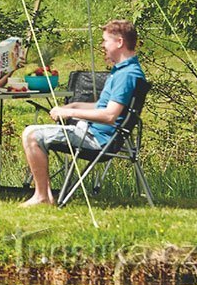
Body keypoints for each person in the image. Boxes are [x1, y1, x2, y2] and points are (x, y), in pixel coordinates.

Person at [20, 19, 146, 207]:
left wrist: (71, 113)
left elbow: (109, 116)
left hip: (96, 139)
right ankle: (43, 195)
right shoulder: (123, 71)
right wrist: (73, 107)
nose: (102, 45)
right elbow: (102, 107)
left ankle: (42, 197)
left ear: (119, 42)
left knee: (31, 134)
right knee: (34, 132)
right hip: (94, 133)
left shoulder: (126, 75)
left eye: (105, 41)